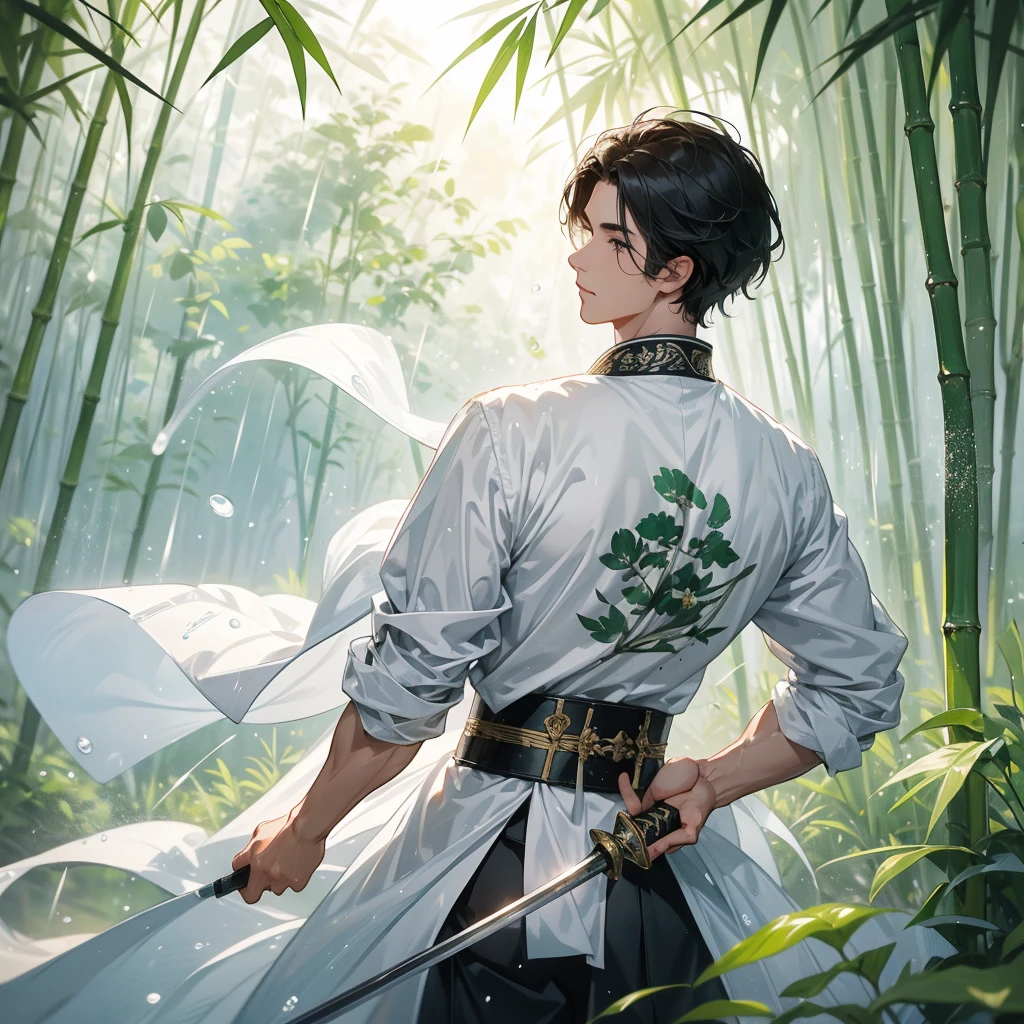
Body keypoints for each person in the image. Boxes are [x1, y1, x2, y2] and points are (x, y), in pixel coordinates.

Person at [229, 110, 912, 1023]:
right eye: (585, 229)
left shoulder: (512, 429)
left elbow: (407, 691)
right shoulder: (783, 466)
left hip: (485, 874)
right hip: (648, 882)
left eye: (611, 238)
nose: (578, 257)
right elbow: (860, 681)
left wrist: (304, 833)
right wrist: (706, 785)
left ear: (676, 271)